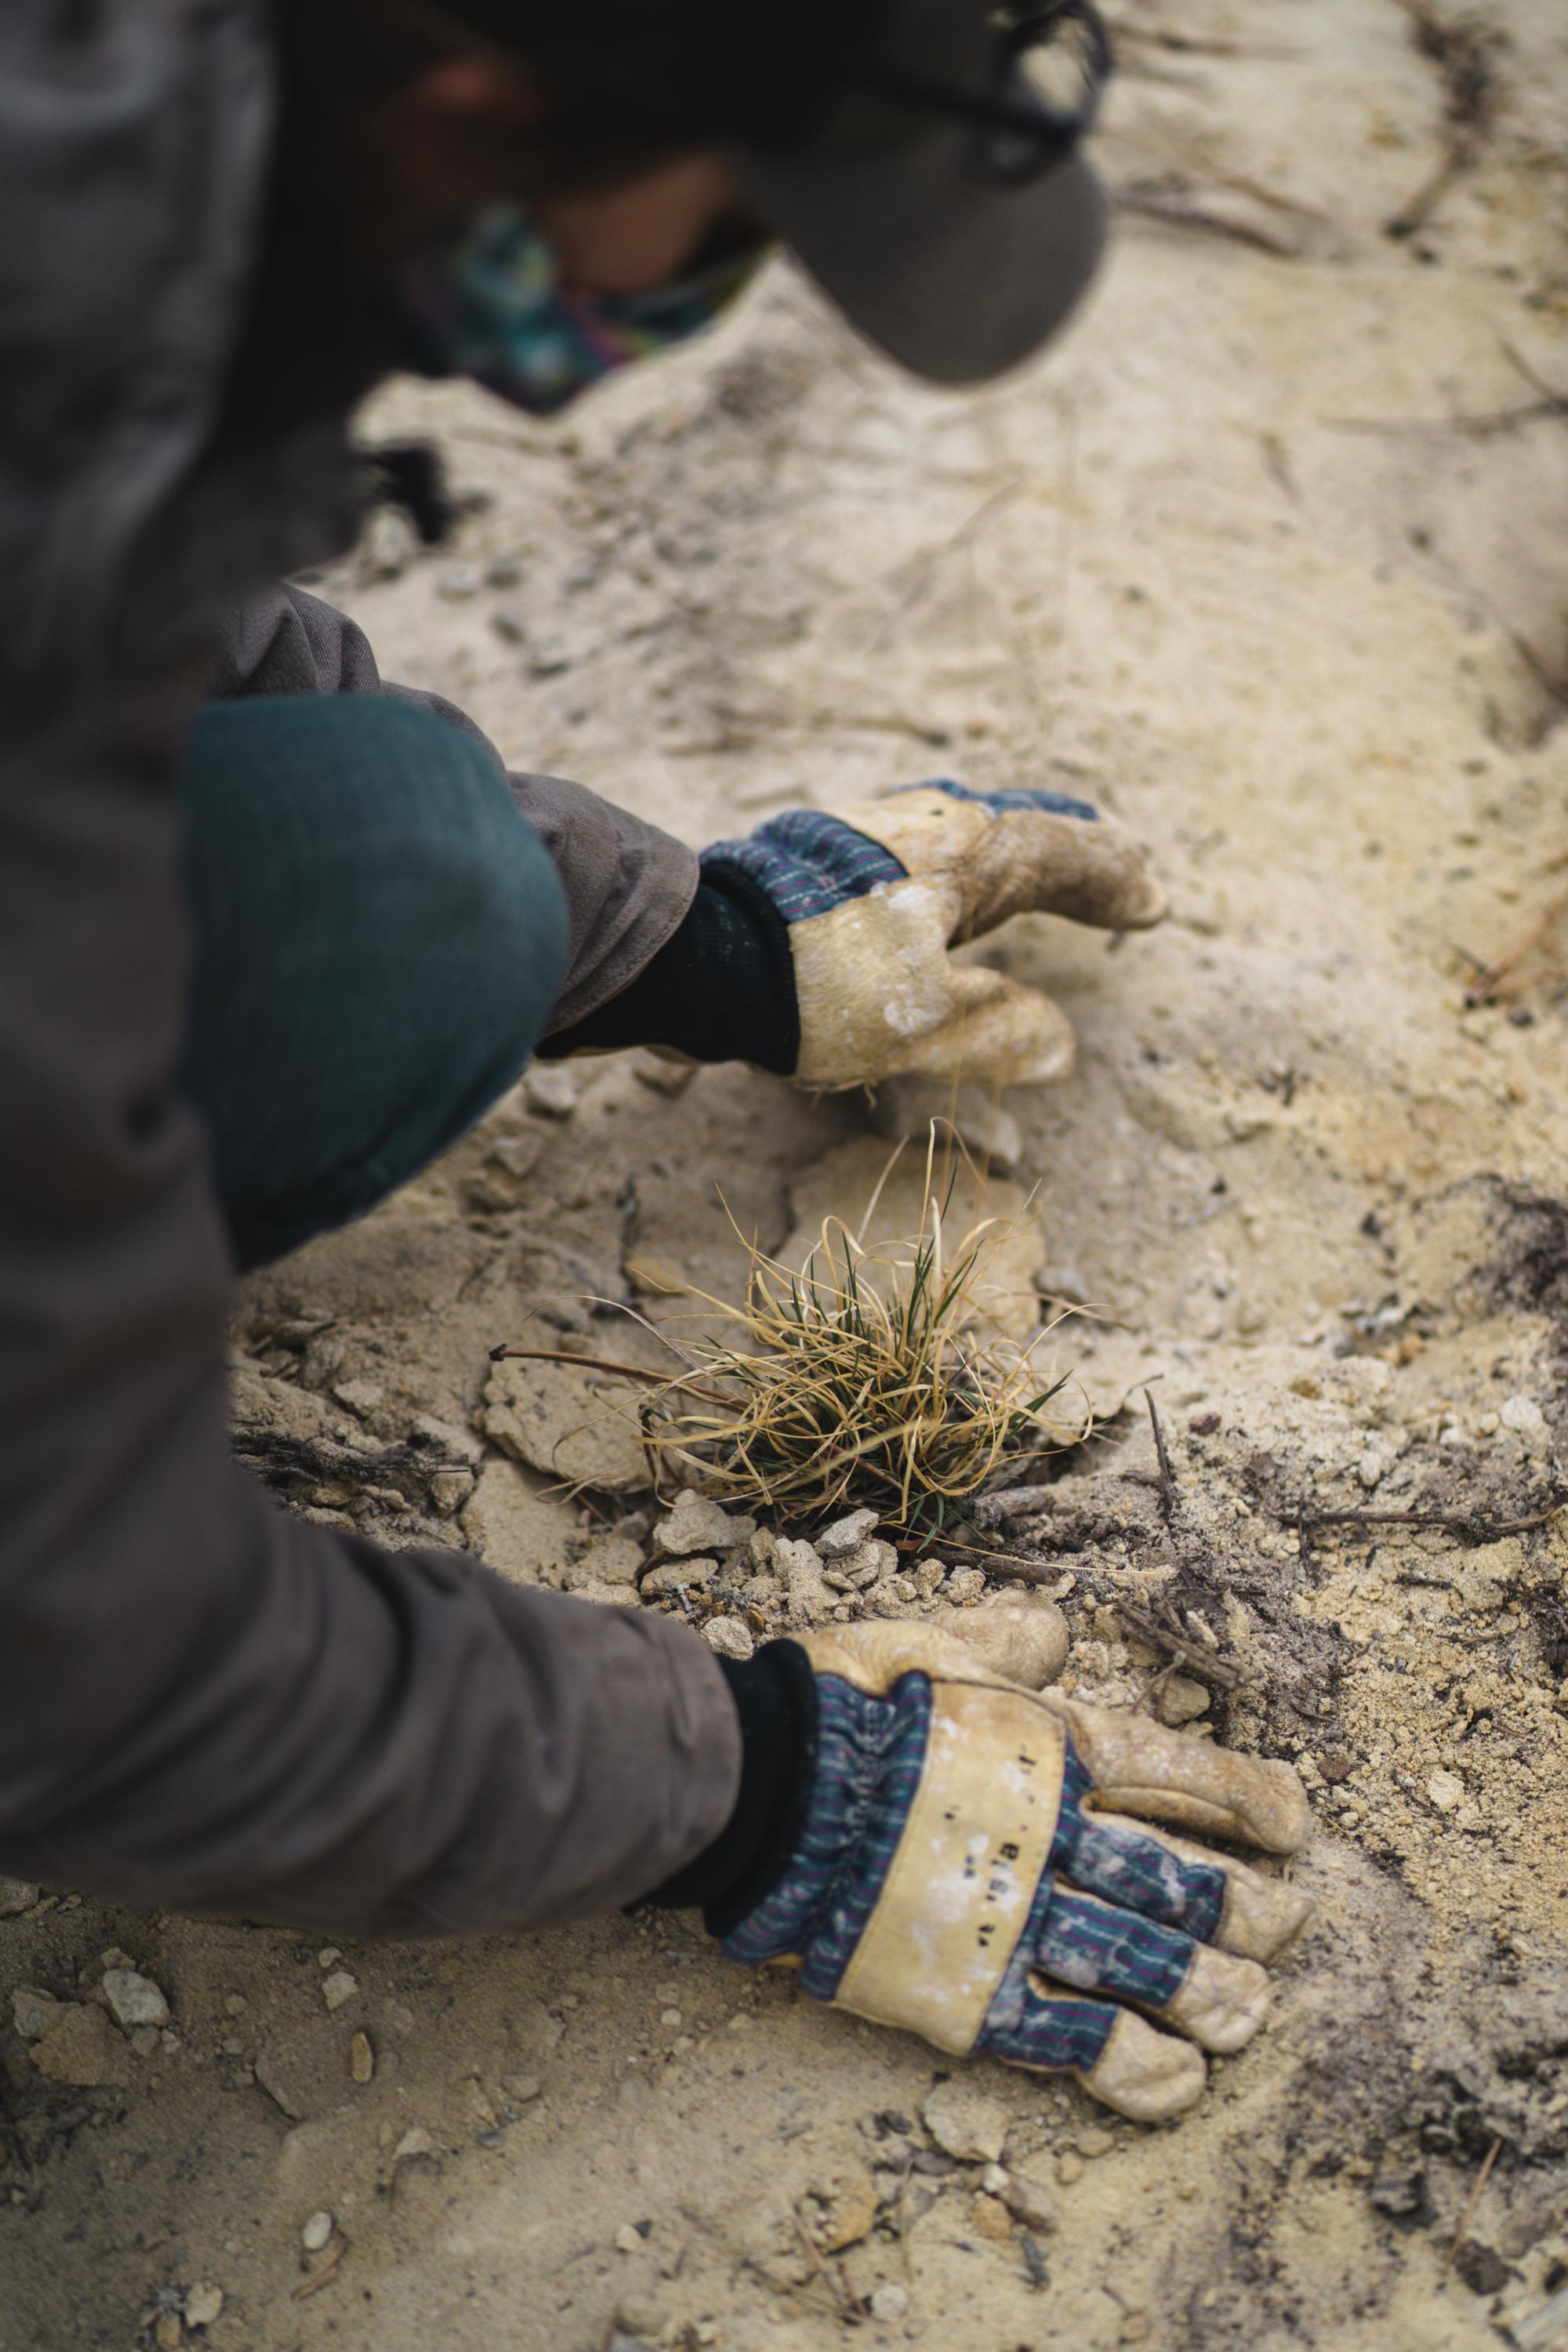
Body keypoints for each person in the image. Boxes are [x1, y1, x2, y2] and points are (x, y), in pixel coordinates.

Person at [0, 0, 1312, 2122]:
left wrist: (693, 949)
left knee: (402, 874)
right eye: (723, 221)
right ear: (476, 97)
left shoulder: (132, 150)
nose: (708, 291)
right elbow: (71, 1664)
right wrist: (748, 1790)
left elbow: (146, 637)